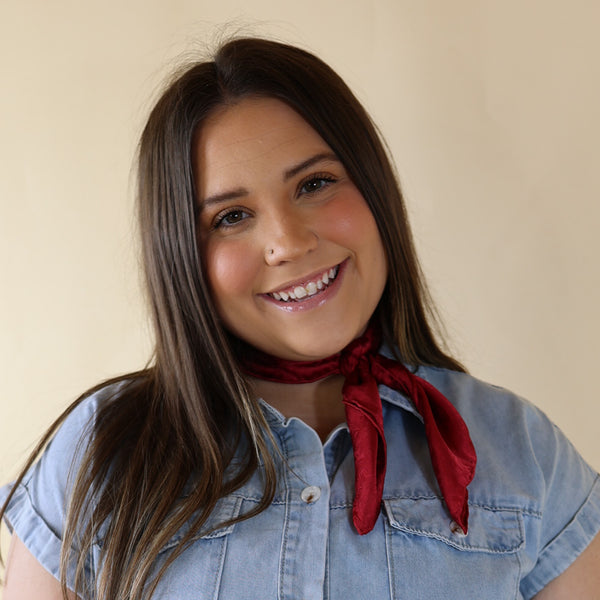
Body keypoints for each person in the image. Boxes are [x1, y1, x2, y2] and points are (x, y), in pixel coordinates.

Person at [1, 37, 599, 600]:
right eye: (231, 217)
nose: (286, 242)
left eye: (315, 183)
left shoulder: (522, 451)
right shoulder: (96, 454)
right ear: (181, 255)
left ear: (375, 192)